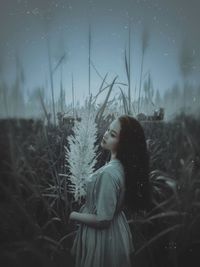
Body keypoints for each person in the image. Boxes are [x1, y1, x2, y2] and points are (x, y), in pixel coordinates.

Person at [69, 115, 152, 267]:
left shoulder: (108, 173)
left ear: (124, 144)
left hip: (100, 237)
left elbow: (103, 221)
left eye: (112, 134)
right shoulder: (123, 167)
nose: (106, 134)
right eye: (108, 129)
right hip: (115, 232)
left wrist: (74, 215)